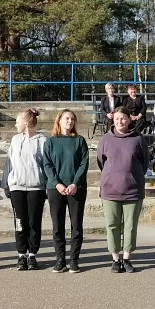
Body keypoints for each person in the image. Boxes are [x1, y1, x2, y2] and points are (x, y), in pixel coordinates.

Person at [96, 107, 148, 272]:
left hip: (133, 190)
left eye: (123, 118)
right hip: (110, 190)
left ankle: (127, 259)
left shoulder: (138, 139)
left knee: (130, 226)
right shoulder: (105, 139)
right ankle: (115, 259)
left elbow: (144, 162)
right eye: (117, 118)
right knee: (112, 225)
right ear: (113, 119)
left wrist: (131, 176)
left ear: (129, 119)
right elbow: (101, 161)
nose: (120, 121)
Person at [43, 109, 90, 273]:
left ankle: (74, 260)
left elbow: (84, 164)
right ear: (59, 121)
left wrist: (75, 183)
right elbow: (47, 164)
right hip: (55, 189)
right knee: (58, 225)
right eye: (66, 118)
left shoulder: (80, 141)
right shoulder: (50, 142)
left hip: (76, 188)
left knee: (76, 225)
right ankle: (60, 260)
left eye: (72, 119)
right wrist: (57, 184)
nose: (70, 121)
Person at [3, 108, 47, 271]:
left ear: (26, 123)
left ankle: (32, 255)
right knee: (20, 222)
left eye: (17, 122)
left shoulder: (43, 140)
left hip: (37, 187)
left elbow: (46, 164)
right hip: (17, 187)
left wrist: (47, 185)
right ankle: (21, 254)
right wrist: (6, 184)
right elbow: (9, 163)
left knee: (34, 222)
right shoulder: (15, 140)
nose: (15, 125)